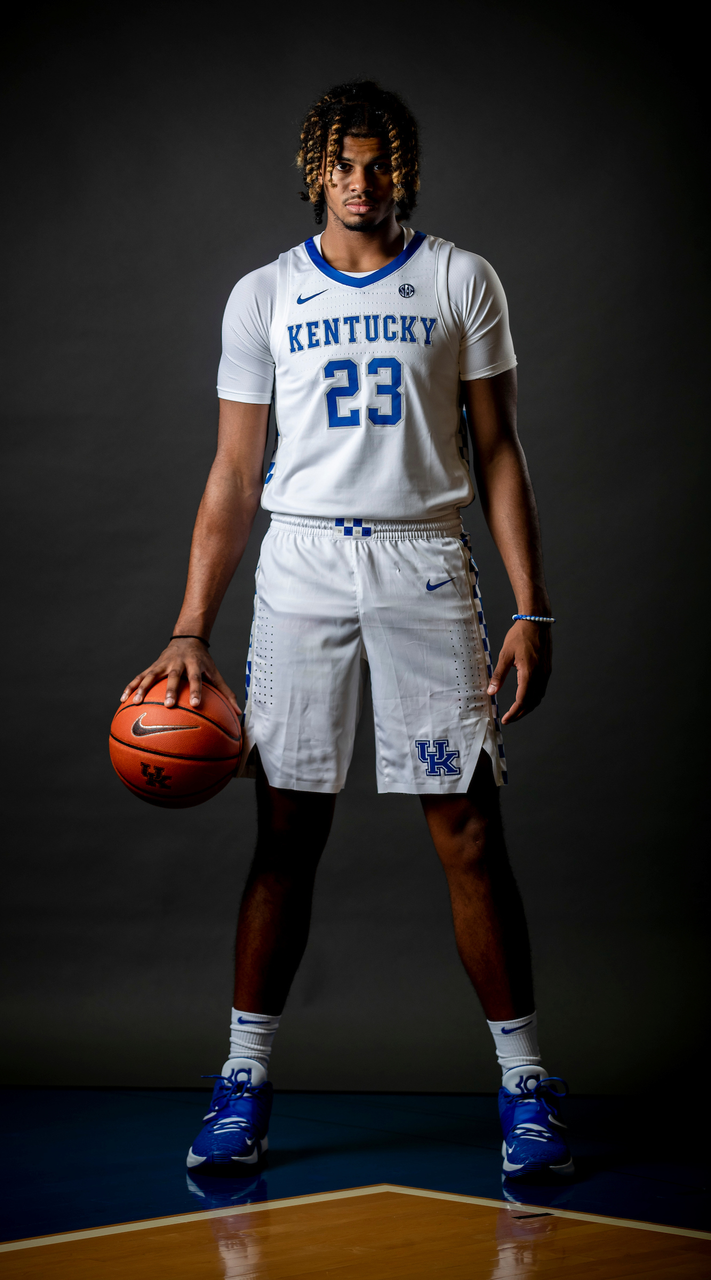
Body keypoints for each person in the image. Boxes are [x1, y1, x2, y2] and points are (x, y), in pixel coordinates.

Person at [121, 81, 572, 1182]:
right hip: (303, 560)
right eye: (342, 165)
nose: (360, 184)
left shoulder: (461, 279)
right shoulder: (264, 295)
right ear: (314, 170)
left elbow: (500, 450)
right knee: (284, 831)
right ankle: (242, 1079)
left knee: (467, 831)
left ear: (403, 168)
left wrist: (531, 603)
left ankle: (524, 1087)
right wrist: (191, 626)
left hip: (422, 555)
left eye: (378, 165)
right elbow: (234, 472)